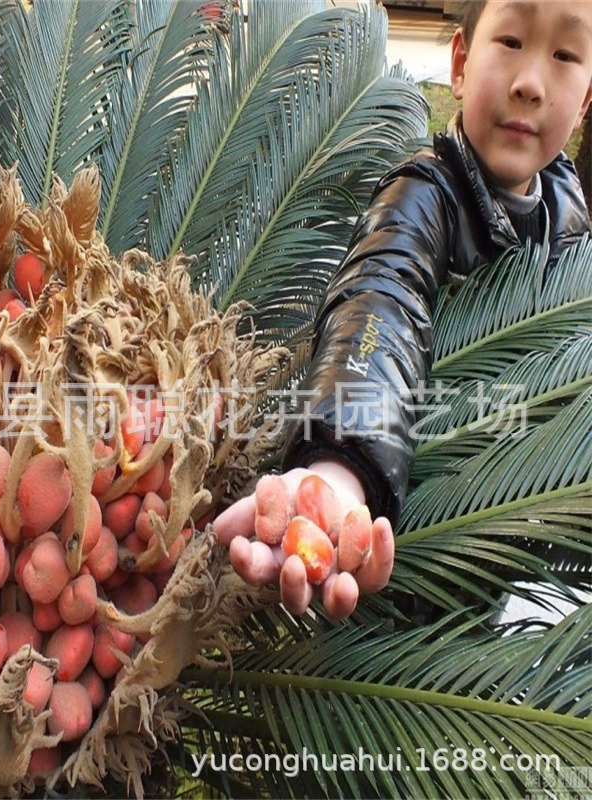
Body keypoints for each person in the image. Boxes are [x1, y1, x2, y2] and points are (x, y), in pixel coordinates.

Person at [213, 0, 592, 619]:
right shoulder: (421, 198)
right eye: (512, 42)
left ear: (586, 101)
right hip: (404, 564)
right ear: (461, 65)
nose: (530, 82)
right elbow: (381, 301)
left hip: (498, 546)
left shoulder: (568, 217)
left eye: (565, 54)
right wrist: (343, 467)